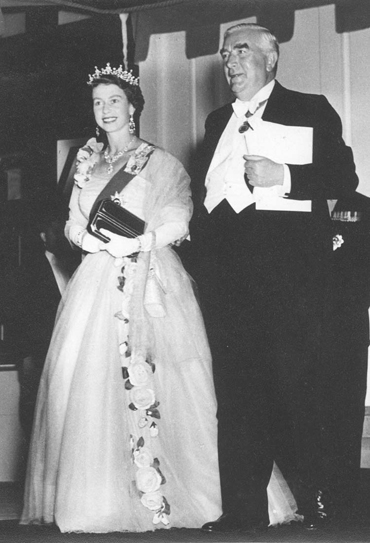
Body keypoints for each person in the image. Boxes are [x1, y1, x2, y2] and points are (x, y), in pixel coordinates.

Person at [20, 63, 222, 533]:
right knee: (84, 381)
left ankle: (173, 493)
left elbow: (180, 218)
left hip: (150, 276)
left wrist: (141, 242)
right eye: (98, 102)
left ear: (133, 108)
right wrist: (86, 241)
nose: (106, 110)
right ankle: (97, 496)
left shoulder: (160, 161)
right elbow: (72, 220)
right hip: (95, 279)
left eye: (115, 100)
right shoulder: (84, 162)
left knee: (165, 380)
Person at [191, 23, 359, 533]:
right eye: (224, 53)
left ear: (272, 56)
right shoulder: (217, 119)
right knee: (238, 398)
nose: (229, 61)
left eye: (240, 49)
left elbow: (343, 183)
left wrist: (283, 175)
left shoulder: (310, 108)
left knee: (298, 394)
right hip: (229, 285)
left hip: (291, 284)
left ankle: (320, 503)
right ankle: (243, 509)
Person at [17, 194, 78, 442]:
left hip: (65, 356)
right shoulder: (28, 272)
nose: (64, 234)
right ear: (43, 235)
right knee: (35, 419)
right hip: (39, 355)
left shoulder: (76, 265)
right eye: (57, 229)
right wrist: (26, 358)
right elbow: (20, 317)